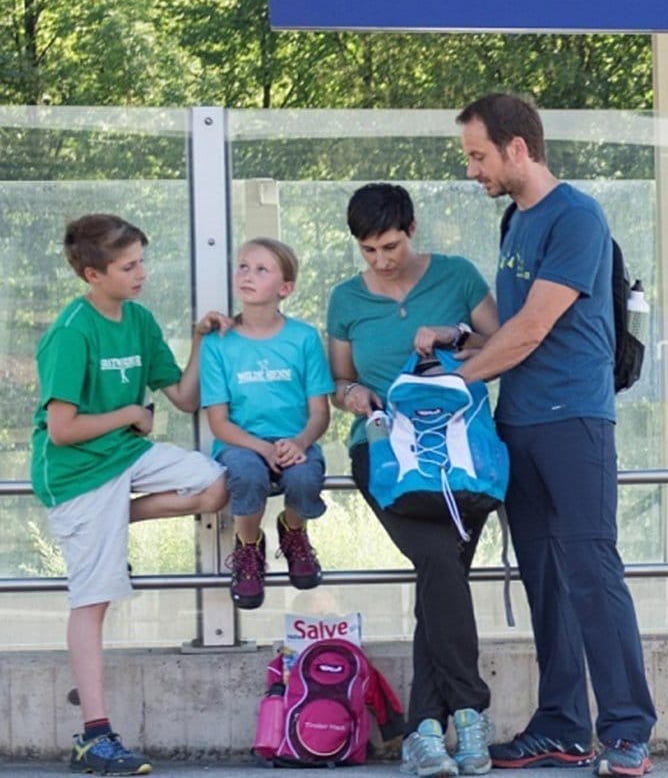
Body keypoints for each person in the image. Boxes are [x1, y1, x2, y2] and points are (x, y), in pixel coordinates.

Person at [452, 94, 656, 776]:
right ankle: (563, 725)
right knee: (545, 578)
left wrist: (462, 382)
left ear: (518, 148)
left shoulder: (576, 216)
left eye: (479, 156)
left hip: (575, 421)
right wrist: (456, 349)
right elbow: (511, 332)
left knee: (593, 571)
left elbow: (537, 327)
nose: (473, 170)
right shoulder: (516, 221)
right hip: (520, 422)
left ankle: (626, 728)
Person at [33, 214, 230, 776]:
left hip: (125, 457)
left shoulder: (140, 320)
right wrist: (126, 413)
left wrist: (197, 340)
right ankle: (94, 737)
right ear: (93, 274)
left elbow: (185, 399)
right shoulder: (72, 332)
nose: (142, 273)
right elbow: (63, 429)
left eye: (142, 260)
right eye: (129, 266)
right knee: (92, 599)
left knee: (215, 484)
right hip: (76, 472)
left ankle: (110, 519)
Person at [324, 183, 500, 778]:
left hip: (459, 454)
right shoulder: (345, 298)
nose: (381, 260)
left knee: (439, 573)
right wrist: (355, 398)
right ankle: (471, 711)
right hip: (384, 455)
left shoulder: (456, 276)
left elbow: (503, 345)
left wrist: (452, 335)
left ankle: (425, 730)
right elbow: (337, 380)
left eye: (390, 245)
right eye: (368, 250)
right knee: (438, 561)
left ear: (412, 228)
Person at [200, 237, 333, 611]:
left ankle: (293, 533)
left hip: (295, 440)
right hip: (241, 443)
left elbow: (320, 412)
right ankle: (248, 547)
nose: (248, 275)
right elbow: (219, 422)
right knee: (246, 474)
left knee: (305, 478)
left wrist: (301, 442)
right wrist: (260, 448)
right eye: (243, 266)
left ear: (285, 288)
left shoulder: (303, 338)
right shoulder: (218, 344)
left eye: (261, 269)